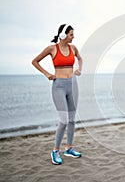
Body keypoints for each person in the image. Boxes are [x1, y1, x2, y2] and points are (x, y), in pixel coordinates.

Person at [32, 24, 83, 165]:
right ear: (62, 35)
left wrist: (79, 70)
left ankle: (69, 148)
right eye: (71, 34)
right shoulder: (52, 49)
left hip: (73, 85)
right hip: (59, 87)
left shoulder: (73, 48)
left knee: (72, 119)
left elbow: (80, 59)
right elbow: (35, 61)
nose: (73, 37)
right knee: (64, 120)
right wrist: (47, 74)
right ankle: (55, 150)